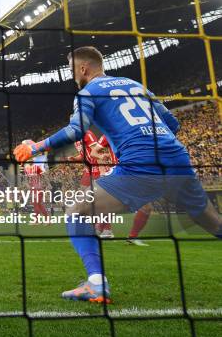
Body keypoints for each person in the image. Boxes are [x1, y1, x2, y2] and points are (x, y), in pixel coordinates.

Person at [13, 46, 221, 304]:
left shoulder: (87, 92)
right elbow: (173, 125)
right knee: (211, 221)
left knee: (76, 211)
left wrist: (37, 146)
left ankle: (96, 283)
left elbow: (75, 130)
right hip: (176, 157)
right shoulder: (137, 86)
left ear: (83, 69)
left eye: (71, 70)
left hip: (140, 162)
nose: (71, 76)